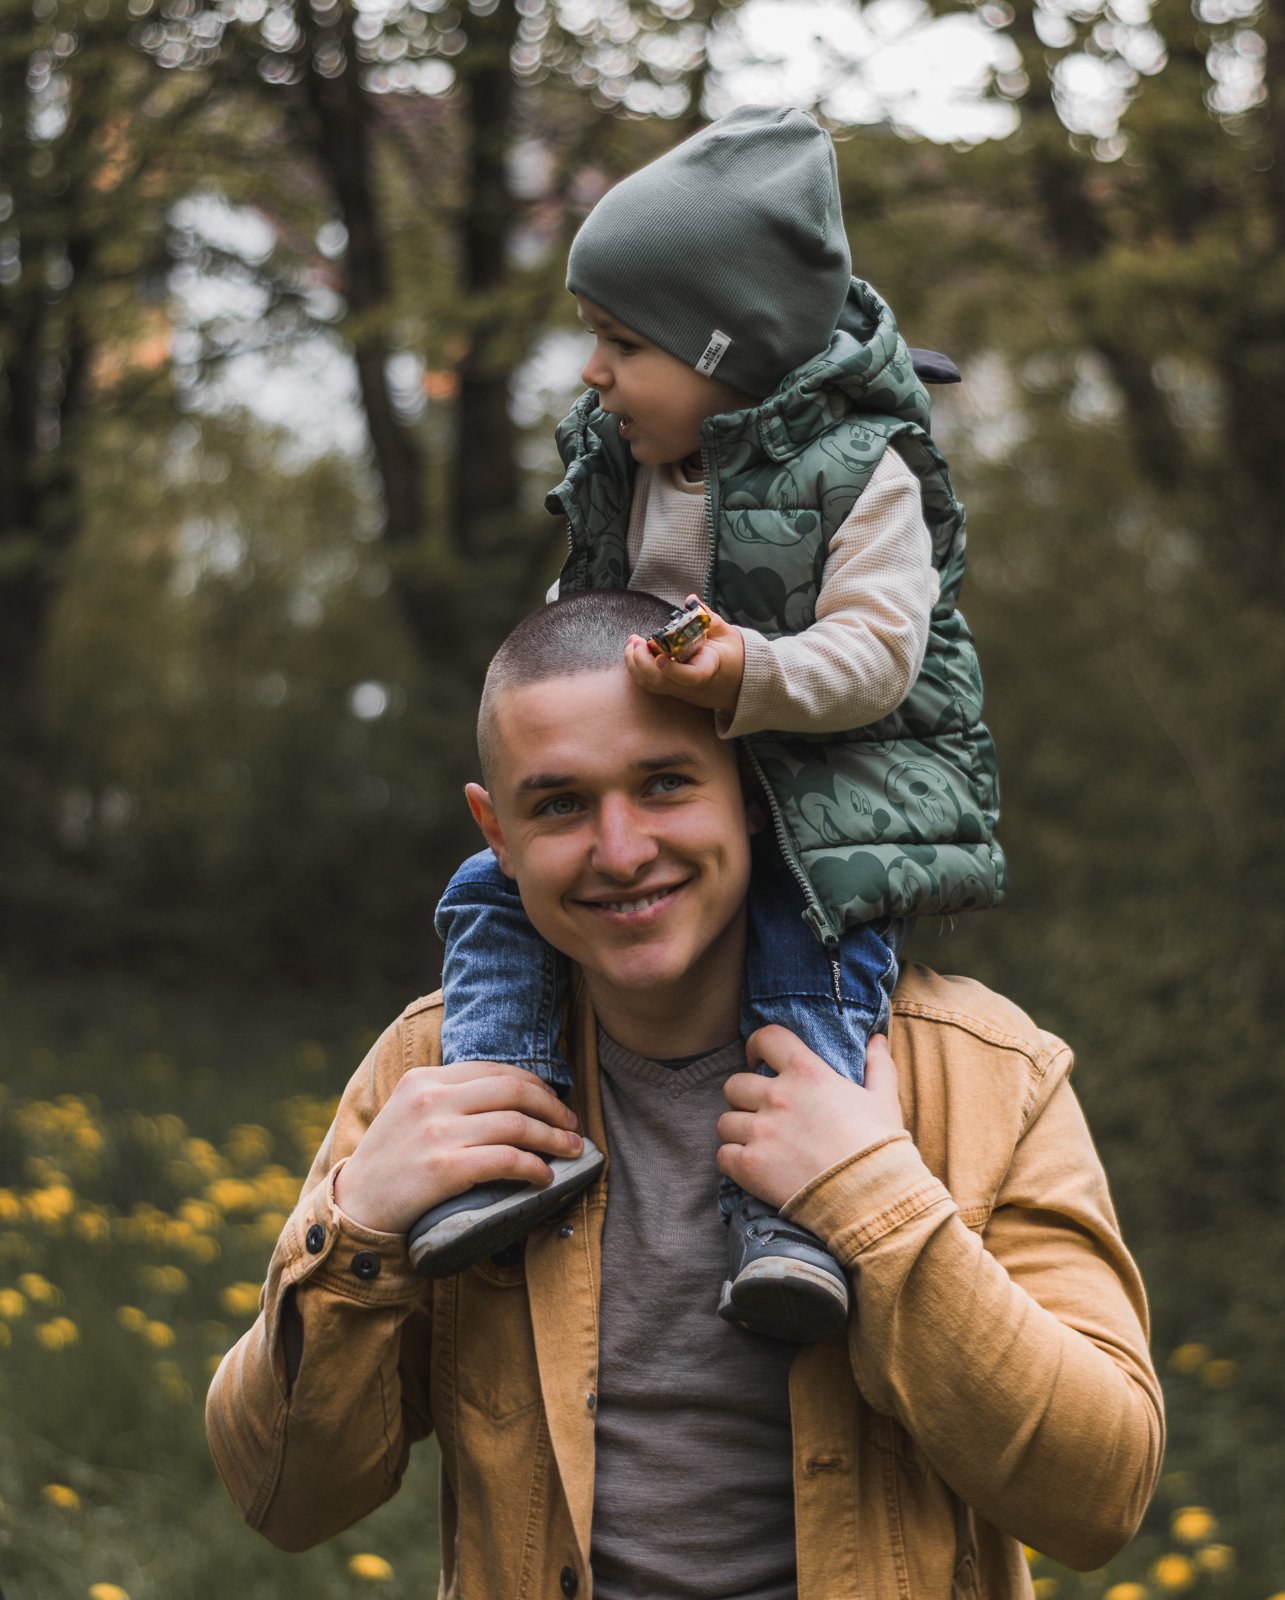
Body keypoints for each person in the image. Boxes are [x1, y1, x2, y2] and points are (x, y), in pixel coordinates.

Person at [206, 590, 1162, 1600]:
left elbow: (1100, 1499)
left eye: (664, 784)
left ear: (751, 789)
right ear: (496, 830)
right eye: (560, 803)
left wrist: (875, 1200)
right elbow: (284, 1498)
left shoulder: (983, 1067)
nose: (620, 851)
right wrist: (356, 1226)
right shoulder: (431, 1071)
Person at [420, 107, 1005, 1339]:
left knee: (806, 947)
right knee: (487, 890)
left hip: (835, 771)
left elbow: (879, 657)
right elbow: (586, 603)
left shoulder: (860, 468)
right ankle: (507, 1114)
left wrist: (742, 671)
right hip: (686, 753)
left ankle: (791, 1218)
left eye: (622, 344)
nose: (594, 372)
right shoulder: (627, 452)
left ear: (723, 352)